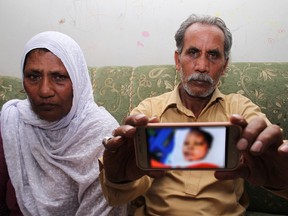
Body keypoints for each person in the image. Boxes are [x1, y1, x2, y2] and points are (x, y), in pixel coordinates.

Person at [99, 14, 288, 215]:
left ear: (225, 66)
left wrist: (281, 178)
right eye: (193, 52)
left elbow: (272, 155)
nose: (202, 66)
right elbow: (116, 197)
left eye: (213, 55)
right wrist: (119, 179)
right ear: (177, 60)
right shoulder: (148, 112)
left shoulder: (240, 110)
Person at [0, 31, 126, 215]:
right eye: (33, 76)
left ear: (78, 81)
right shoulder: (12, 122)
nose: (44, 91)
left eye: (59, 77)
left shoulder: (100, 133)